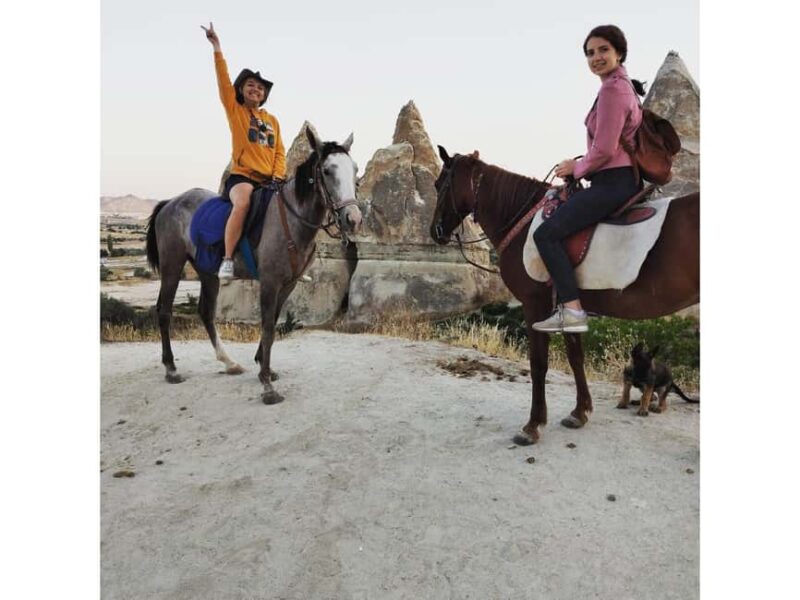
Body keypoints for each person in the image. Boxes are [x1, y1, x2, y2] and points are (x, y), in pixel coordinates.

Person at [532, 24, 645, 334]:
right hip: (618, 179)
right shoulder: (621, 86)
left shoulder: (613, 89)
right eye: (590, 53)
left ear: (620, 52)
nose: (596, 57)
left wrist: (575, 168)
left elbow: (605, 149)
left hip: (614, 182)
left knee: (546, 235)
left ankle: (572, 311)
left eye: (603, 50)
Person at [201, 22, 287, 279]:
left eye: (260, 88)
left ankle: (289, 262)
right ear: (241, 89)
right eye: (250, 84)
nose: (255, 89)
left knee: (290, 210)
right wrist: (217, 47)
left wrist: (278, 176)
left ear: (264, 95)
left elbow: (280, 152)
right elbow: (223, 81)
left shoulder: (272, 121)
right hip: (243, 178)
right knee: (243, 204)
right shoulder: (236, 111)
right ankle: (227, 259)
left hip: (270, 180)